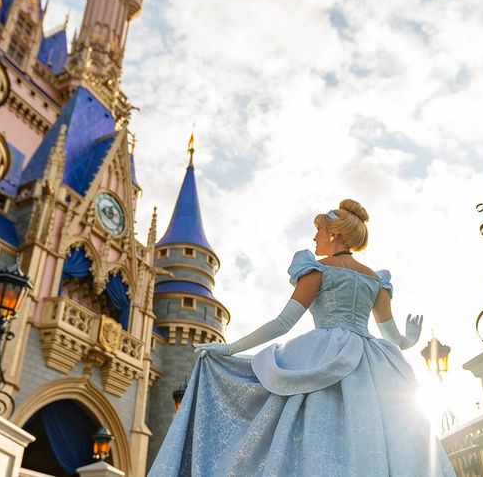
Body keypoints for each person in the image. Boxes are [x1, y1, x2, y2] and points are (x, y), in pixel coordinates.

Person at [149, 199, 457, 476]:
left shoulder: (317, 271)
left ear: (334, 234)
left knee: (306, 434)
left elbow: (283, 322)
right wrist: (411, 339)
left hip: (320, 357)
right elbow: (393, 339)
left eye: (319, 231)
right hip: (373, 366)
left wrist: (231, 348)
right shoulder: (375, 279)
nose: (315, 238)